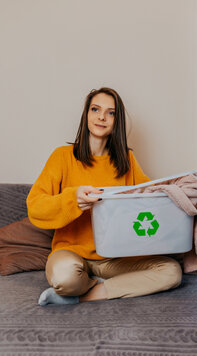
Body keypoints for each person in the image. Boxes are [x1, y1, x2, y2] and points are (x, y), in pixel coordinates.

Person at [27, 87, 182, 306]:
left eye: (111, 113)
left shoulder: (127, 160)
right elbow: (35, 206)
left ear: (116, 121)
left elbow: (150, 197)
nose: (101, 116)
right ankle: (87, 283)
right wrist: (74, 199)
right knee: (64, 279)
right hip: (71, 253)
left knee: (171, 271)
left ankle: (88, 293)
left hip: (115, 259)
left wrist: (182, 191)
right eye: (95, 109)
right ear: (86, 115)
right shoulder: (62, 157)